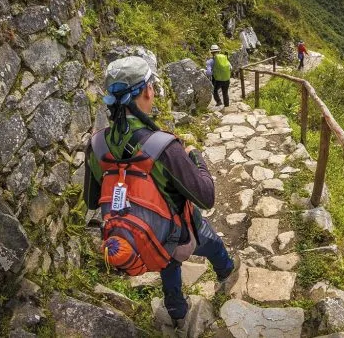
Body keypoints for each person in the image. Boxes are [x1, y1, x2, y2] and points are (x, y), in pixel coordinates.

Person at [84, 56, 234, 330]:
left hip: (143, 237)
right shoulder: (163, 147)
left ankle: (177, 313)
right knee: (211, 243)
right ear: (147, 91)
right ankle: (227, 275)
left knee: (168, 261)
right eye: (151, 86)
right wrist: (196, 158)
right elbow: (206, 197)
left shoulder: (97, 145)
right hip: (179, 232)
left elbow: (92, 200)